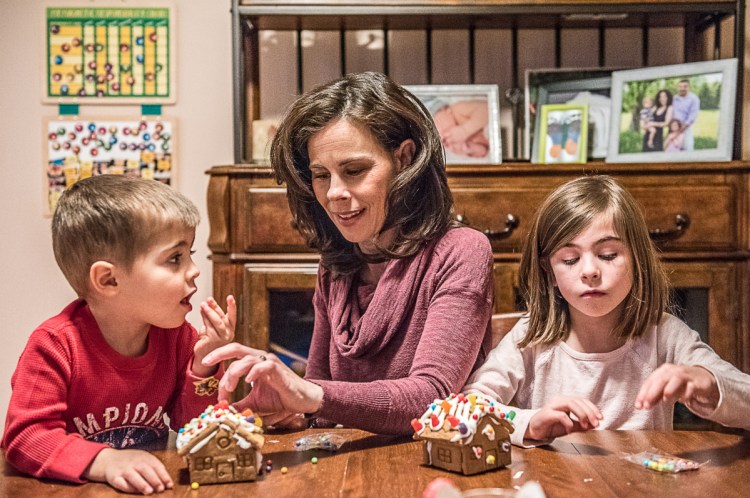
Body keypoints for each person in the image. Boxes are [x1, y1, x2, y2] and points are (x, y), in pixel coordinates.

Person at [202, 71, 495, 435]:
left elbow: (433, 398)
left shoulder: (462, 251)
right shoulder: (335, 266)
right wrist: (294, 409)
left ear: (405, 158)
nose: (333, 193)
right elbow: (322, 391)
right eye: (321, 175)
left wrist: (308, 395)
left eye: (354, 170)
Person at [463, 175, 750, 447]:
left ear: (638, 260)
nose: (590, 271)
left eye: (608, 255)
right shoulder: (530, 337)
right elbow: (466, 410)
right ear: (548, 272)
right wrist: (529, 423)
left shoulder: (666, 335)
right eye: (570, 259)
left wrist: (710, 383)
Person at [2, 175, 236, 495]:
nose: (194, 269)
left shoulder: (179, 339)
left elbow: (191, 429)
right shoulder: (54, 346)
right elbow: (25, 438)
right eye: (175, 258)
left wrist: (203, 365)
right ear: (109, 280)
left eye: (190, 254)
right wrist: (106, 461)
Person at [671, 79, 700, 151]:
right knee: (673, 149)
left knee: (688, 149)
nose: (682, 89)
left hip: (686, 128)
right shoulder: (674, 98)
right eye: (680, 87)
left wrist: (681, 129)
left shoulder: (694, 99)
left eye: (685, 86)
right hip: (674, 127)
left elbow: (692, 116)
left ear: (689, 87)